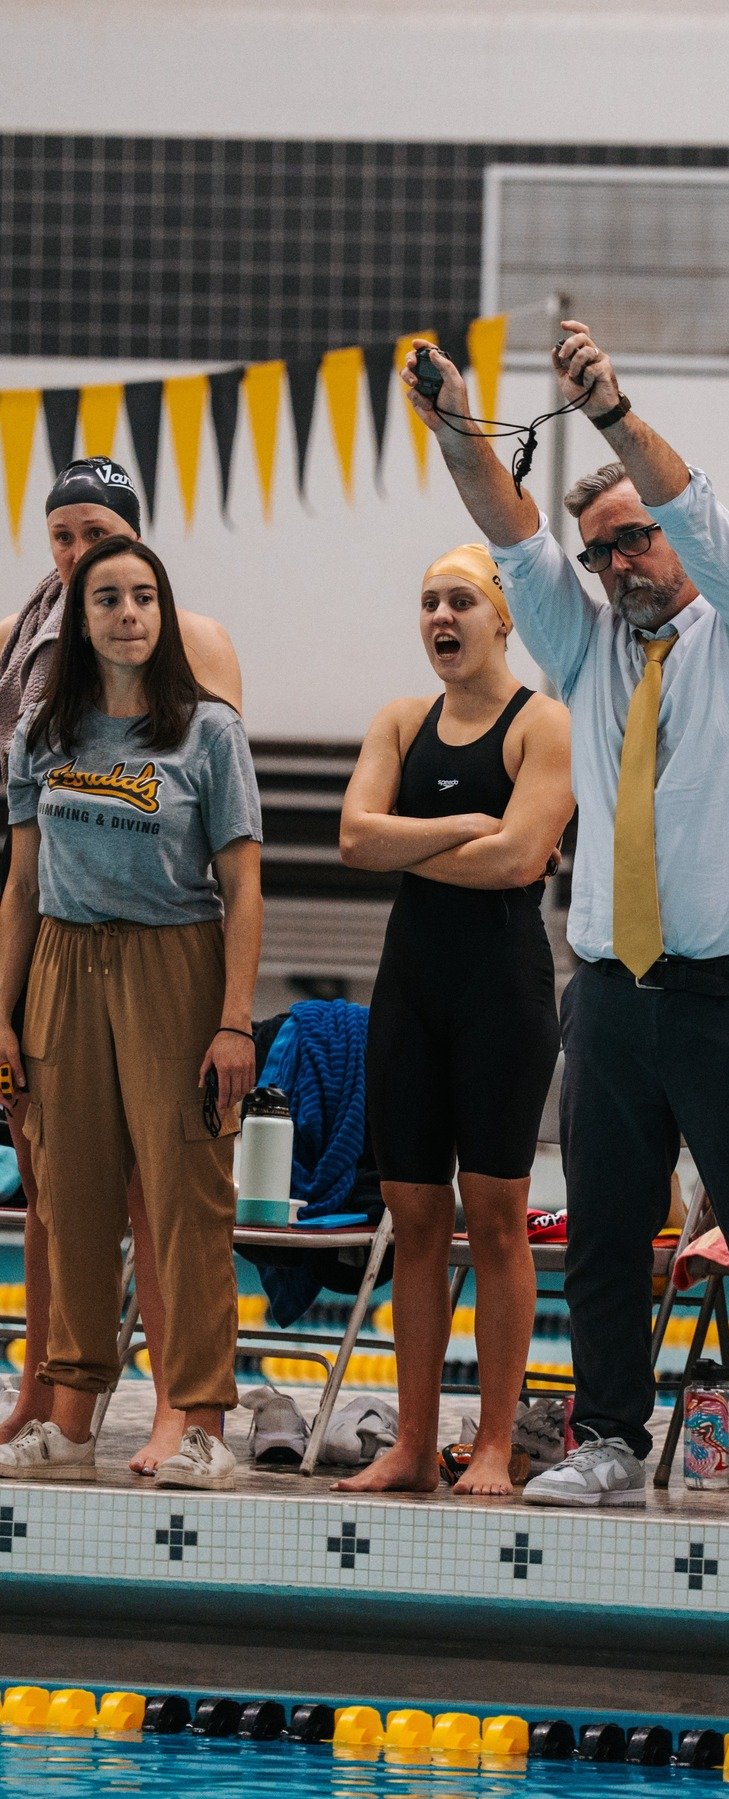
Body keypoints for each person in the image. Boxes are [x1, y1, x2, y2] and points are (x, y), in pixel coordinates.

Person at [402, 322, 729, 1521]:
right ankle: (604, 1429)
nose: (617, 566)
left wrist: (607, 411)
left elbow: (691, 505)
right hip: (609, 989)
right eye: (599, 554)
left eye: (632, 540)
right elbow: (507, 527)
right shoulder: (590, 651)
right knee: (602, 1223)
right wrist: (452, 420)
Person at [0, 536, 262, 1490]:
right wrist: (2, 1013)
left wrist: (235, 1020)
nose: (126, 613)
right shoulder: (41, 735)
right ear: (81, 619)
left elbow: (243, 882)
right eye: (107, 598)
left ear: (163, 613)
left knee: (186, 1198)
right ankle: (71, 1420)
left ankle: (201, 1421)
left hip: (173, 961)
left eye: (143, 597)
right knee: (66, 1194)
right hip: (65, 963)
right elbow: (22, 885)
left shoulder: (208, 734)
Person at [336, 543, 572, 1497]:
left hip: (503, 998)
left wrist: (417, 842)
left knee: (498, 1220)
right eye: (430, 601)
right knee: (414, 1217)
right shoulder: (400, 720)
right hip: (411, 993)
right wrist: (459, 830)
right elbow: (355, 837)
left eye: (462, 601)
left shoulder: (541, 724)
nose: (443, 617)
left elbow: (520, 861)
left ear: (501, 618)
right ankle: (411, 1443)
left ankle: (490, 1445)